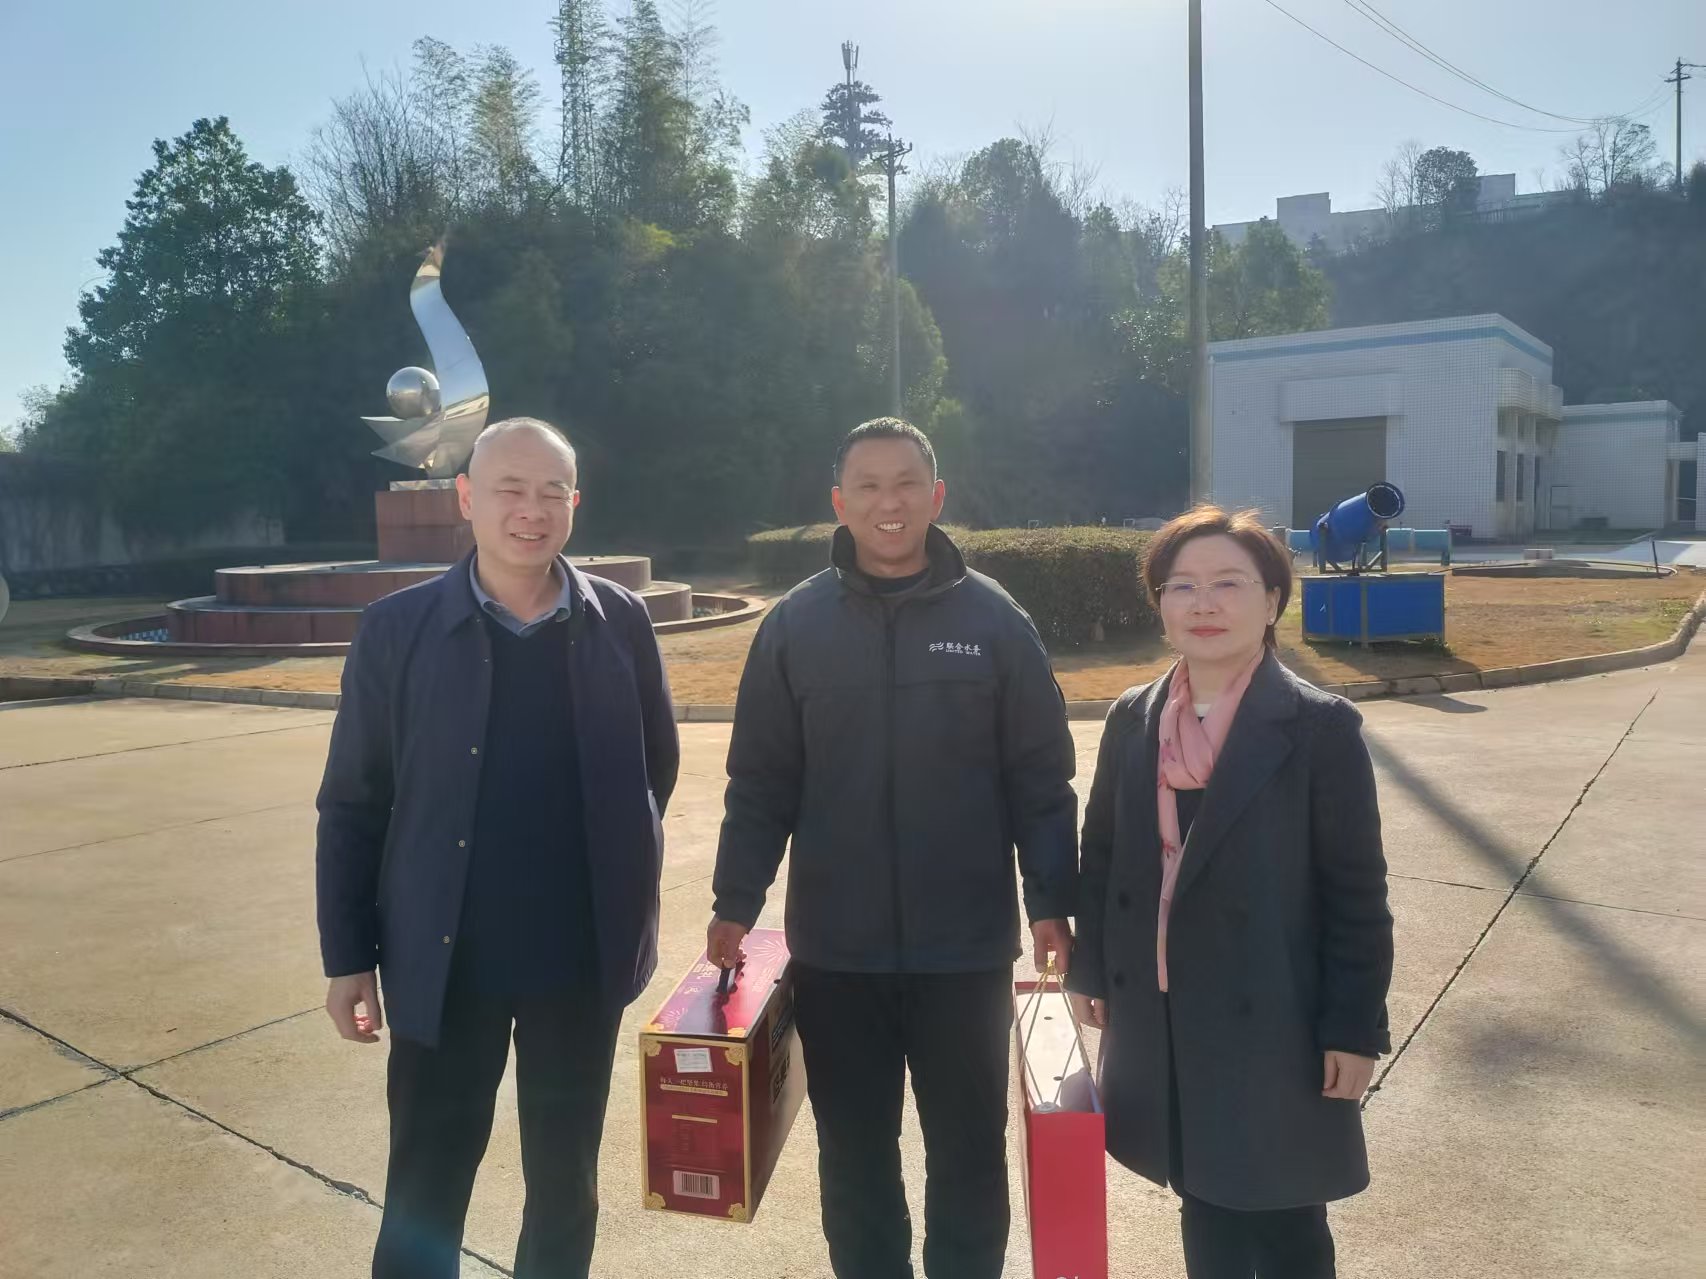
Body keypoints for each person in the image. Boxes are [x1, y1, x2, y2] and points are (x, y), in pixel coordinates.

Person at [708, 417, 1078, 1279]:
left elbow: (1040, 776)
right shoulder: (795, 626)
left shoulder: (995, 621)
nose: (889, 501)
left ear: (936, 496)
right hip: (839, 954)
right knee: (854, 1156)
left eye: (907, 482)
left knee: (970, 1153)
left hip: (965, 952)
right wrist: (734, 901)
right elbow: (760, 780)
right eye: (868, 484)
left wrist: (1051, 900)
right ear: (838, 501)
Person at [315, 418, 679, 1279]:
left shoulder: (619, 620)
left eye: (552, 491)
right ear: (467, 498)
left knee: (565, 1185)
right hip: (445, 963)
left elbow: (653, 768)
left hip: (577, 963)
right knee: (426, 1184)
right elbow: (353, 800)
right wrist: (348, 956)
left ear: (575, 502)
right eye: (510, 489)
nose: (531, 510)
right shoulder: (397, 630)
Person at [1067, 506, 1393, 1279]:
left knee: (1285, 1213)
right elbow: (1102, 854)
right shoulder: (1133, 718)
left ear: (1272, 600)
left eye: (1228, 583)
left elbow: (1355, 893)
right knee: (1202, 1198)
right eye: (1181, 585)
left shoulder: (1318, 728)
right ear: (1160, 604)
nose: (1203, 603)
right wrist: (1091, 968)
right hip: (1164, 1010)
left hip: (1277, 1014)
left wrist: (1353, 1027)